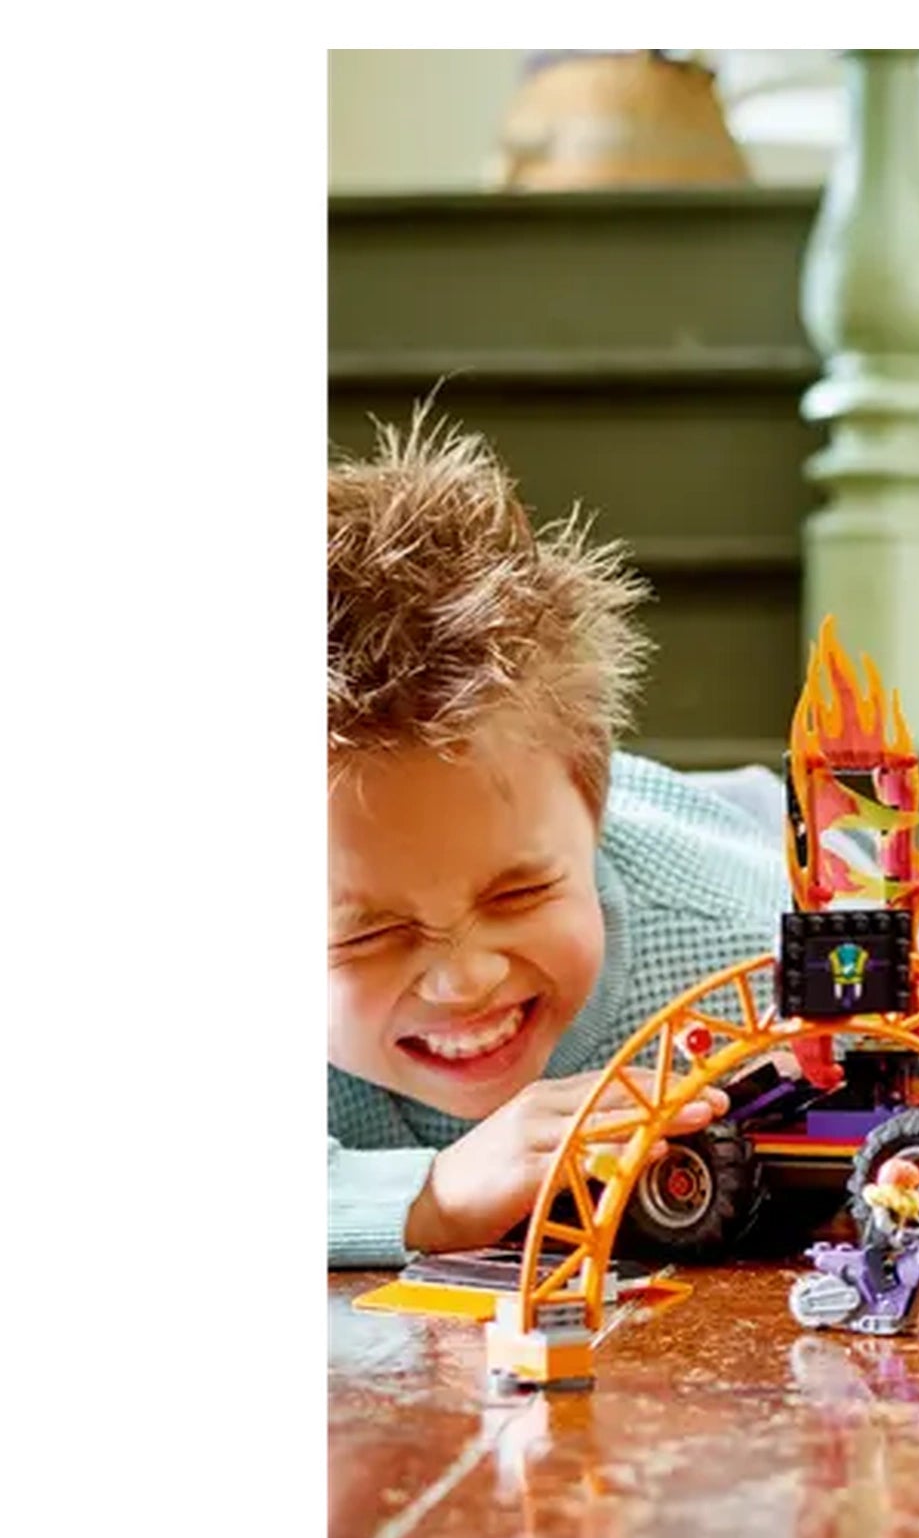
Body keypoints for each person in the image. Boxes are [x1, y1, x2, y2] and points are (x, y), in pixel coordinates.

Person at [328, 413, 787, 1265]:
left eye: (519, 894)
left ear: (592, 820)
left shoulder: (750, 966)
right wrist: (428, 1196)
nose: (466, 980)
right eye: (366, 933)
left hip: (742, 852)